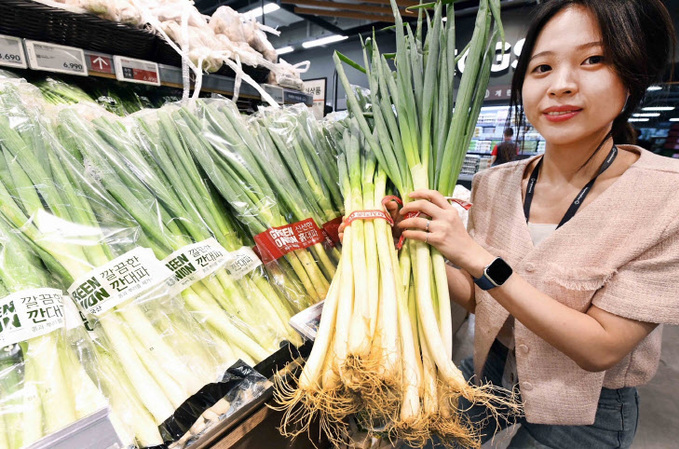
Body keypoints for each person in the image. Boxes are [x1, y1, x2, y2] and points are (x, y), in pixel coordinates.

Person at [395, 0, 677, 447]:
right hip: (494, 364)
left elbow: (599, 348)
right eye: (542, 68)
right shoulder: (495, 184)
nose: (561, 85)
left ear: (633, 73)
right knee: (422, 439)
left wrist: (475, 255)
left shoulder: (666, 197)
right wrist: (417, 244)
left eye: (593, 60)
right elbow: (485, 299)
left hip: (586, 403)